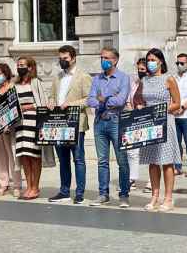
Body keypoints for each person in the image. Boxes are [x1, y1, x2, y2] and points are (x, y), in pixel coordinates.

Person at [86, 47, 131, 207]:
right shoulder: (97, 79)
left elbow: (121, 100)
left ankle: (124, 194)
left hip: (116, 122)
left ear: (115, 60)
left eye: (107, 58)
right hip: (99, 123)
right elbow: (90, 100)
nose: (103, 61)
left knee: (122, 160)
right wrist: (108, 99)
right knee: (102, 160)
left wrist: (103, 99)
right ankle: (103, 193)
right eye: (102, 57)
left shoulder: (123, 78)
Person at [48, 45, 92, 204]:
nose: (62, 61)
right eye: (60, 58)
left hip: (76, 122)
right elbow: (51, 95)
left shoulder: (83, 76)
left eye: (65, 58)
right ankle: (64, 191)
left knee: (78, 159)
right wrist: (51, 101)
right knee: (63, 159)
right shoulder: (57, 77)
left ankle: (79, 193)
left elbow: (89, 99)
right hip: (58, 123)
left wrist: (71, 104)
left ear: (73, 58)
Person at [139, 48, 182, 212]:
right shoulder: (145, 80)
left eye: (153, 59)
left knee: (166, 161)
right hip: (149, 123)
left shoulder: (168, 79)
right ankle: (155, 196)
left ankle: (168, 198)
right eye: (148, 59)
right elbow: (143, 100)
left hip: (165, 121)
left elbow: (177, 103)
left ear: (160, 62)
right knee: (152, 161)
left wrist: (161, 110)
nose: (150, 62)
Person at [14, 56, 49, 200]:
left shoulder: (36, 82)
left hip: (33, 123)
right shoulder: (15, 84)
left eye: (22, 64)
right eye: (18, 64)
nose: (19, 67)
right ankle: (28, 186)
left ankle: (35, 187)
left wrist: (27, 106)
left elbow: (43, 103)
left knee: (34, 156)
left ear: (30, 67)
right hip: (20, 124)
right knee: (24, 156)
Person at [0, 63, 22, 198]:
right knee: (0, 157)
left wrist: (8, 125)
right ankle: (4, 184)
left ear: (6, 74)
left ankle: (17, 185)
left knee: (13, 157)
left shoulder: (12, 88)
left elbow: (15, 107)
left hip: (11, 128)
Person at [126, 58, 147, 191]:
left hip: (148, 120)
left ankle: (152, 182)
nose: (140, 72)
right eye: (139, 69)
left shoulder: (153, 83)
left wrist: (144, 108)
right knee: (132, 151)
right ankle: (131, 179)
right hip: (134, 119)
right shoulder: (134, 82)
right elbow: (128, 98)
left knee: (150, 151)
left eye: (143, 70)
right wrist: (129, 107)